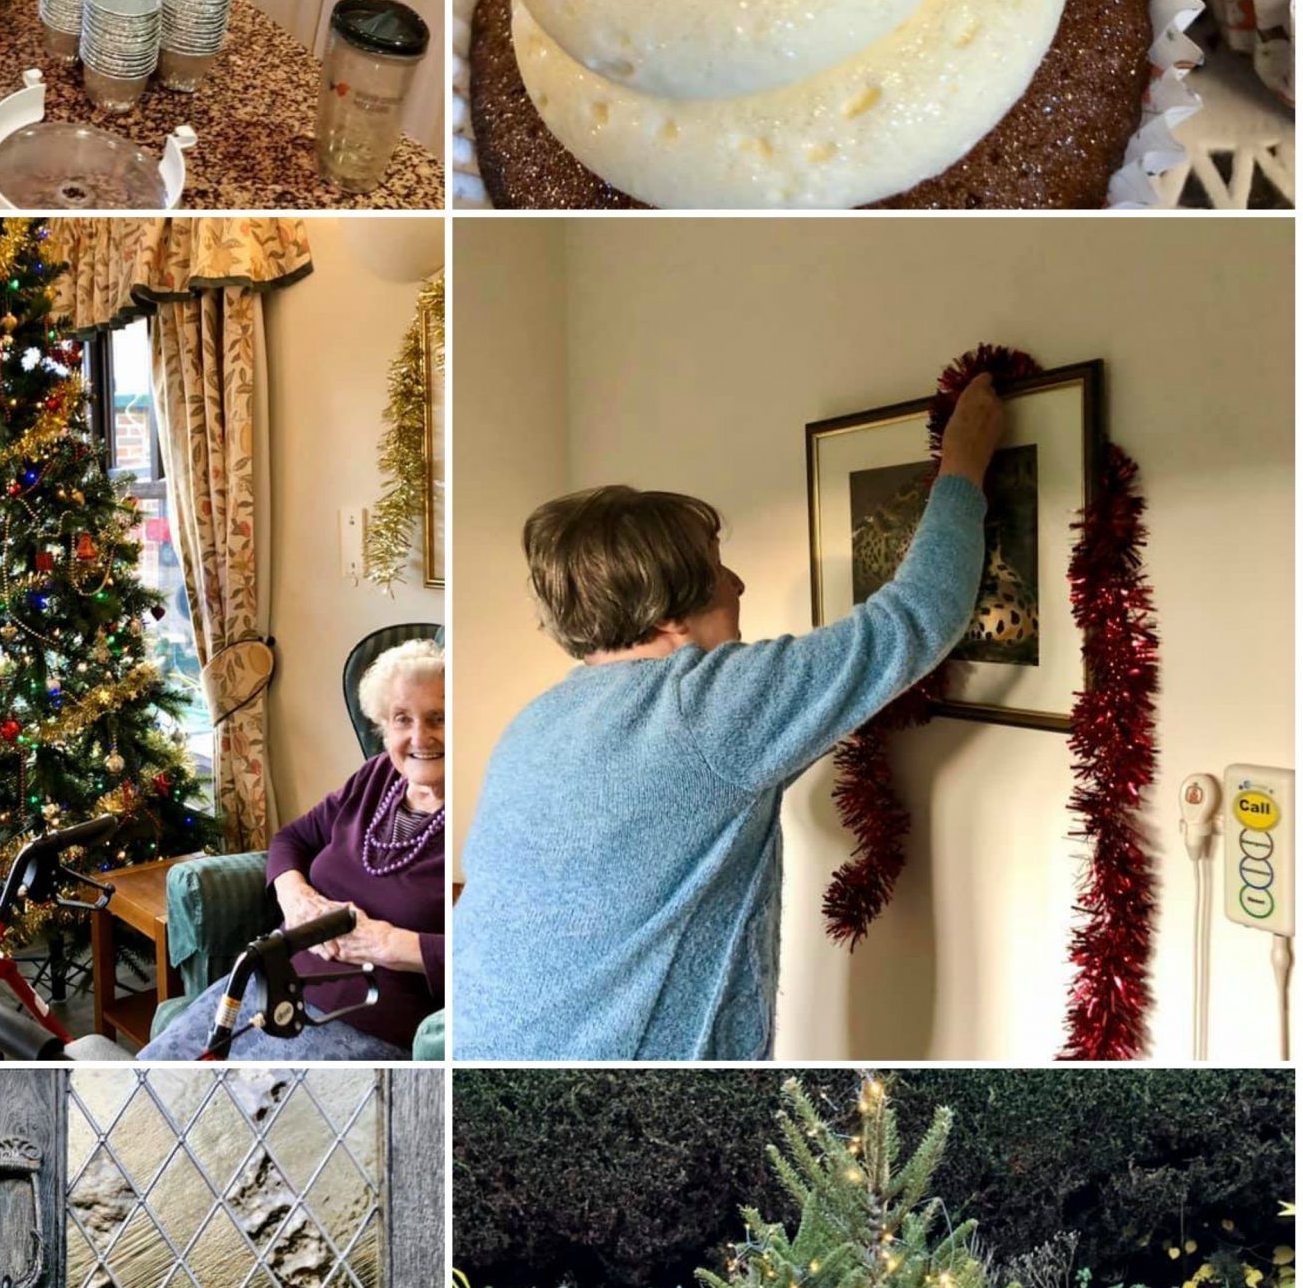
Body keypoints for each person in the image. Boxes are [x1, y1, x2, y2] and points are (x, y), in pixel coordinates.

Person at [453, 374, 1006, 1059]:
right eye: (719, 567)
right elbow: (919, 614)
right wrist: (963, 463)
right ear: (663, 610)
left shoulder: (538, 720)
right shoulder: (708, 707)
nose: (737, 583)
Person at [139, 636, 445, 1058]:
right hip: (268, 982)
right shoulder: (376, 778)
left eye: (438, 718)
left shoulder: (479, 816)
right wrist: (297, 898)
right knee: (152, 1079)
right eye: (402, 719)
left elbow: (490, 958)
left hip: (364, 1023)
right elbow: (292, 839)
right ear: (383, 725)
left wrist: (392, 944)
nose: (419, 737)